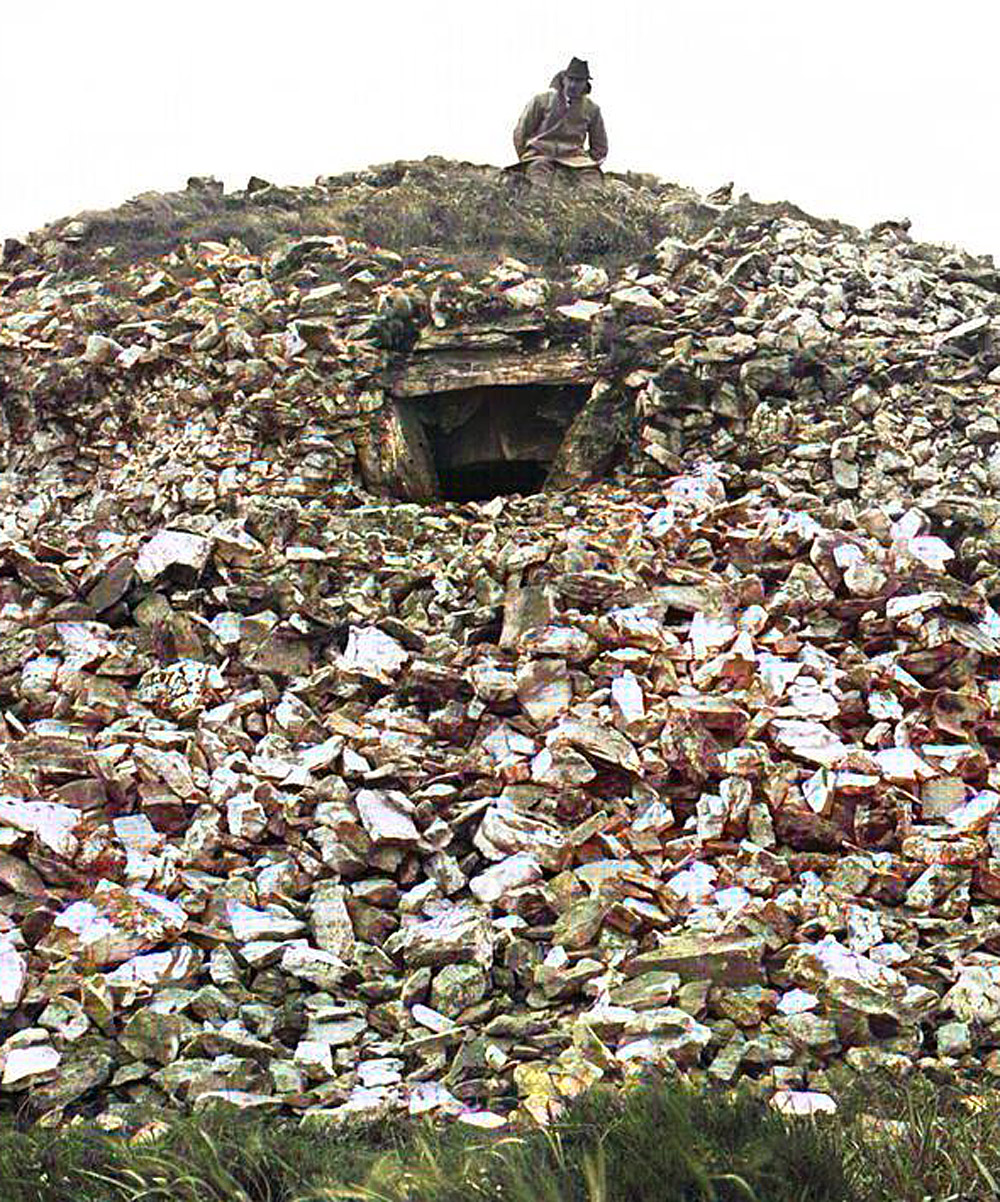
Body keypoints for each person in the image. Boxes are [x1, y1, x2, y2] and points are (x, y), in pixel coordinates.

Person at [511, 58, 608, 191]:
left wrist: (585, 160)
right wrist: (527, 156)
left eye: (579, 81)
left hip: (575, 160)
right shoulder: (541, 101)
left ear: (585, 83)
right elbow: (521, 132)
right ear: (563, 79)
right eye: (571, 79)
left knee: (593, 186)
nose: (573, 85)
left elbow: (600, 146)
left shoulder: (592, 109)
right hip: (541, 155)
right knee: (538, 187)